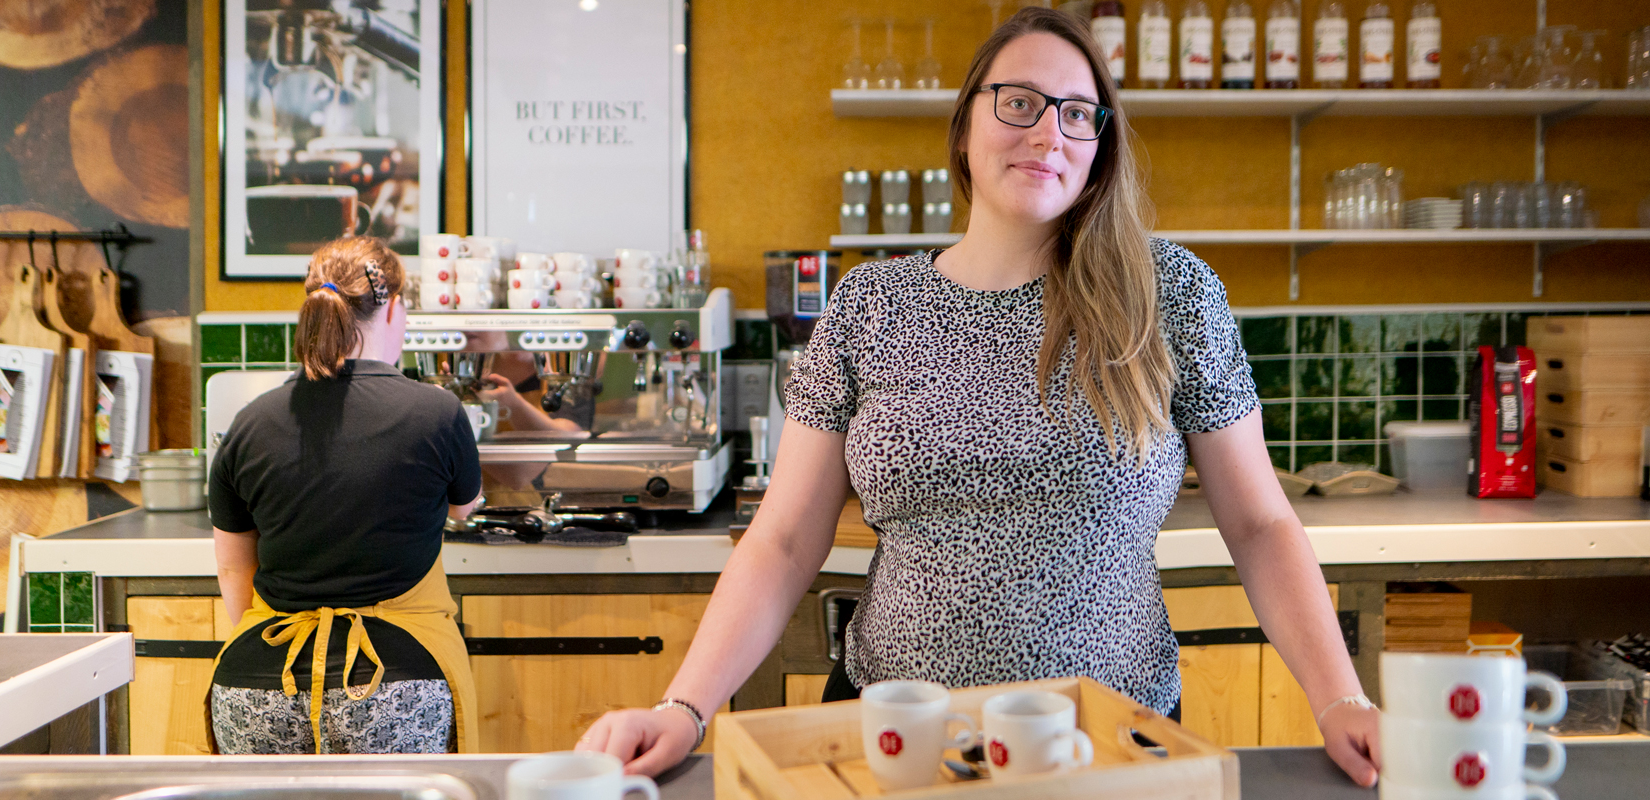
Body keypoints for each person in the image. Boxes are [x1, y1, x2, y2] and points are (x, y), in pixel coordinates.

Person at [578, 7, 1382, 787]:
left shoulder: (1168, 295)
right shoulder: (870, 305)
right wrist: (683, 706)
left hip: (1105, 744)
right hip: (898, 740)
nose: (1048, 133)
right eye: (1021, 102)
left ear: (1100, 147)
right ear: (966, 125)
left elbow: (1262, 522)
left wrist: (1340, 698)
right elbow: (784, 540)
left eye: (1078, 114)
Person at [206, 236, 484, 755]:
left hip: (258, 682)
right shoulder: (438, 413)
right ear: (395, 308)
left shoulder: (248, 424)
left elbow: (233, 570)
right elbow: (462, 506)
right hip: (391, 687)